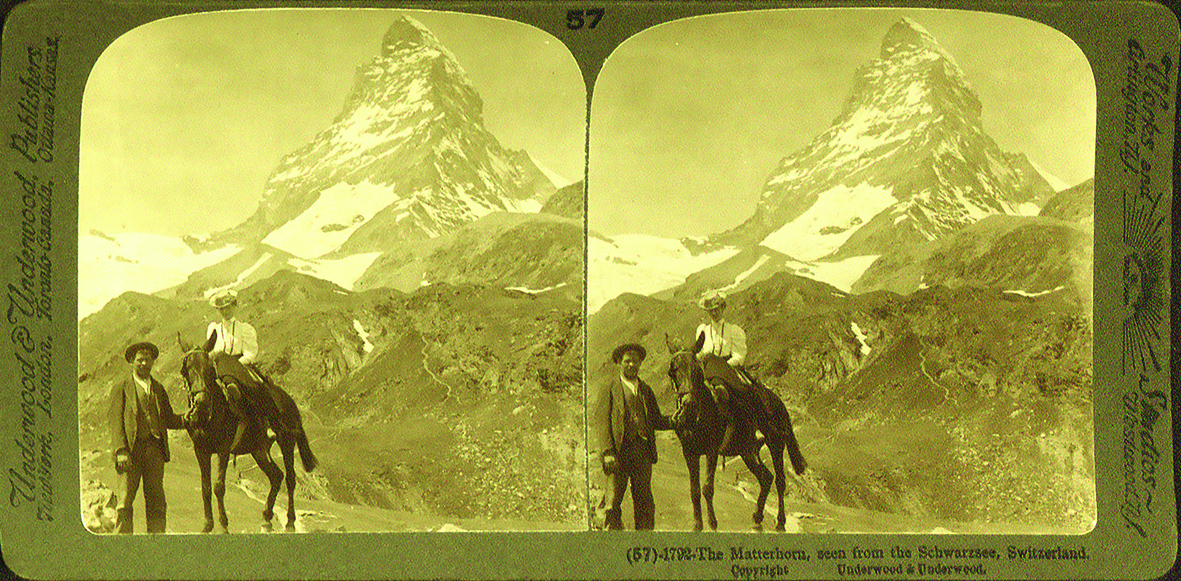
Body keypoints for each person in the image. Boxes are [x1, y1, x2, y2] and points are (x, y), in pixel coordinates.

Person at [108, 341, 188, 533]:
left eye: (148, 360)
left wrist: (188, 419)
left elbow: (169, 419)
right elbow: (114, 421)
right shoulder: (121, 387)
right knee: (125, 499)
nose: (144, 363)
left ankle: (156, 539)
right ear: (132, 362)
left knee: (156, 499)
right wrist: (120, 451)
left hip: (155, 452)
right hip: (130, 453)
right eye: (140, 360)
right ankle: (123, 542)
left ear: (153, 362)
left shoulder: (159, 388)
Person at [593, 343, 672, 530]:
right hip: (619, 454)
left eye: (635, 361)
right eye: (627, 361)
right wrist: (607, 452)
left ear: (640, 364)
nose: (631, 365)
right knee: (612, 501)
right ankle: (611, 544)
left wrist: (676, 421)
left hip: (642, 454)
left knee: (644, 500)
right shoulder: (610, 388)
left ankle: (643, 543)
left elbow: (657, 420)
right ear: (619, 363)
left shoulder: (646, 390)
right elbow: (601, 422)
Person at [204, 289, 286, 452]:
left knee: (259, 385)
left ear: (234, 307)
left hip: (240, 363)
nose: (225, 311)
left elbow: (251, 352)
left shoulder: (244, 328)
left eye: (228, 307)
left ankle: (269, 423)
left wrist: (237, 365)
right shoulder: (214, 329)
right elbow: (210, 351)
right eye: (222, 309)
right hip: (219, 366)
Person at [694, 289, 772, 453]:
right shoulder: (703, 330)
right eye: (711, 310)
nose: (714, 313)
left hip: (729, 366)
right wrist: (704, 357)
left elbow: (739, 355)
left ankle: (755, 429)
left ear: (723, 309)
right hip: (708, 369)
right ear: (707, 312)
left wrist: (724, 367)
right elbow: (698, 353)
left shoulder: (733, 330)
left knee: (748, 389)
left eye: (717, 309)